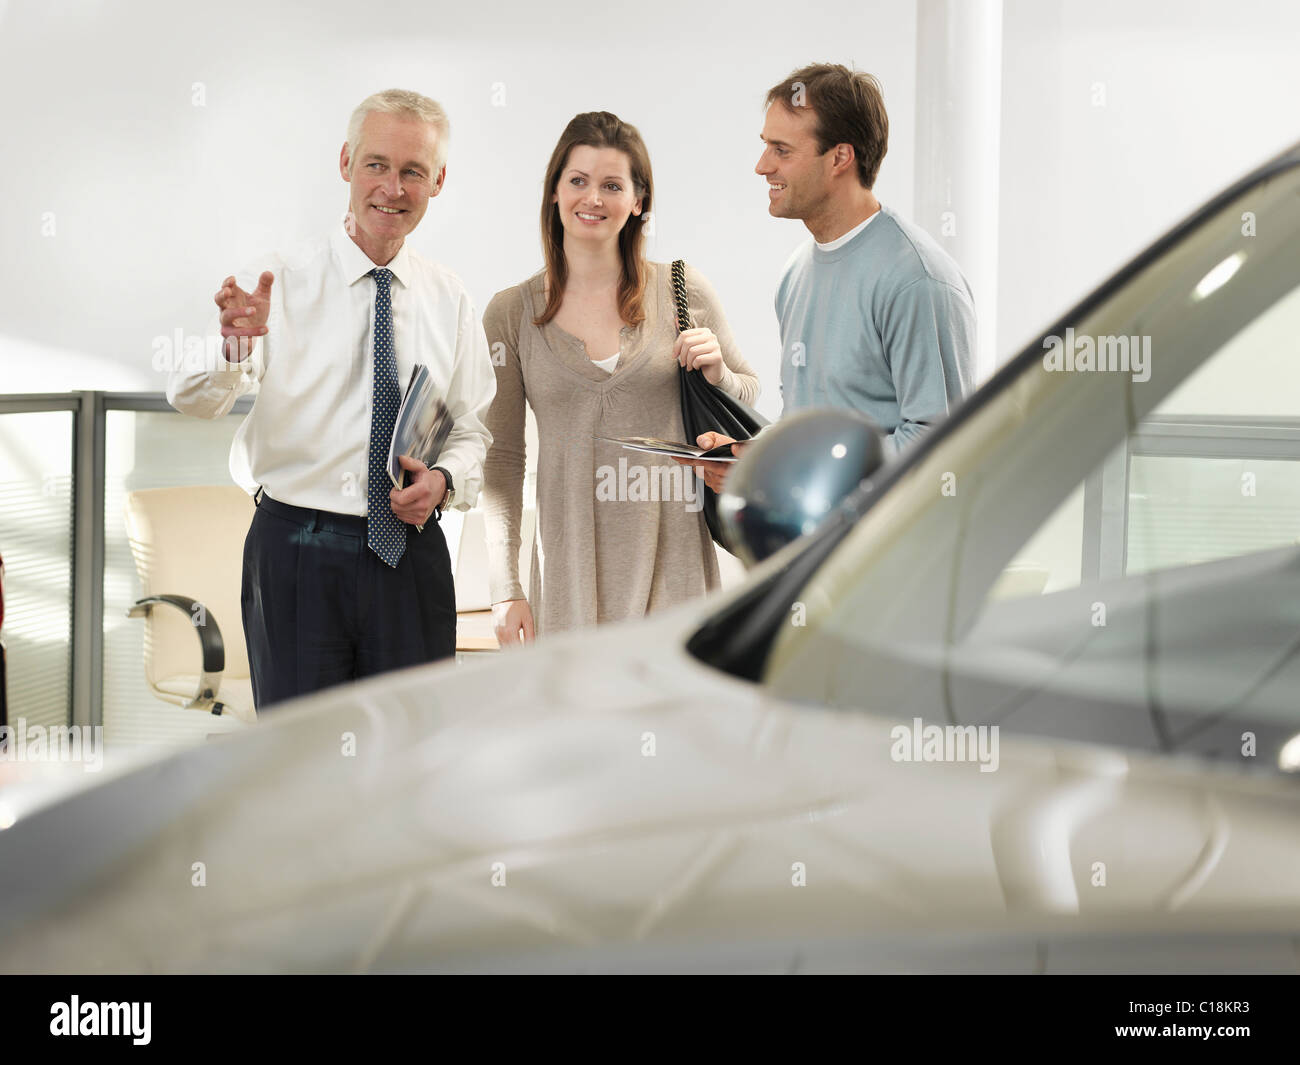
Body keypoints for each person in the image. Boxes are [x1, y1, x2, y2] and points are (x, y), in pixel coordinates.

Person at [168, 88, 496, 709]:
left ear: (438, 181)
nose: (392, 189)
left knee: (414, 751)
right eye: (376, 165)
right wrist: (235, 346)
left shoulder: (449, 297)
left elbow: (473, 428)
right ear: (346, 162)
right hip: (298, 555)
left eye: (413, 172)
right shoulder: (274, 279)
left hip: (411, 550)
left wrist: (447, 480)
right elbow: (191, 398)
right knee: (298, 760)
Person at [481, 111, 760, 644]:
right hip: (567, 577)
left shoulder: (683, 289)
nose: (593, 198)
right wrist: (505, 586)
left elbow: (748, 393)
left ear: (638, 201)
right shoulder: (510, 313)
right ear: (555, 193)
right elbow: (502, 458)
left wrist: (720, 373)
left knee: (671, 723)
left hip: (674, 566)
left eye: (613, 185)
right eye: (578, 181)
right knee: (577, 724)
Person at [684, 62, 977, 493]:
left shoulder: (919, 281)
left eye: (782, 150)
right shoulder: (795, 274)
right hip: (814, 553)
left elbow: (943, 446)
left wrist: (800, 468)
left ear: (840, 157)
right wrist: (752, 457)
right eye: (766, 146)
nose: (762, 166)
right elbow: (807, 428)